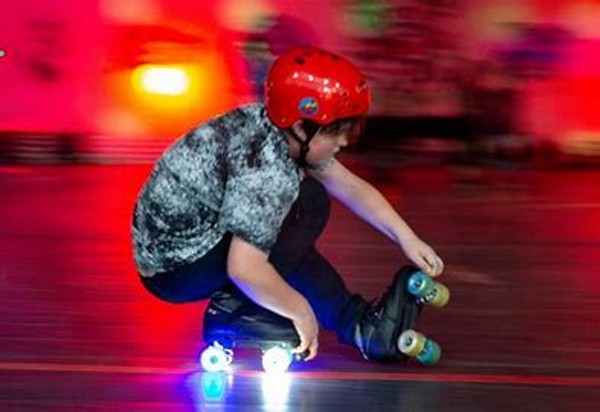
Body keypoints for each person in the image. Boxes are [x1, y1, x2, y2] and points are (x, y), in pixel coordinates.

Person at [132, 47, 444, 363]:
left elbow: (349, 186)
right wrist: (299, 310)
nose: (344, 141)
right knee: (308, 204)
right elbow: (244, 267)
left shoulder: (272, 128)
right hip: (177, 271)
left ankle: (358, 324)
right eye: (336, 132)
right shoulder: (266, 167)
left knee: (299, 213)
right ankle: (234, 309)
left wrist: (407, 237)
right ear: (300, 127)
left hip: (179, 249)